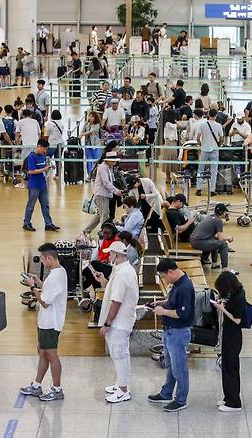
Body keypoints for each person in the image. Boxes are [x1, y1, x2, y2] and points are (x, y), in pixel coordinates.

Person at [92, 241, 140, 403]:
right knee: (121, 354)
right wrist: (103, 281)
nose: (108, 256)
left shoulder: (122, 273)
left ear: (118, 255)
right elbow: (114, 291)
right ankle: (121, 383)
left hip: (119, 322)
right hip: (122, 321)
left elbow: (116, 301)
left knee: (118, 354)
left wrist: (107, 324)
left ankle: (123, 390)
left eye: (111, 254)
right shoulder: (123, 270)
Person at [20, 243, 68, 402]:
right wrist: (39, 282)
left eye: (42, 259)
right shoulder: (58, 272)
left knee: (51, 355)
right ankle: (36, 385)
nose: (41, 262)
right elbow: (49, 290)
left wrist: (32, 287)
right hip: (45, 321)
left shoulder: (55, 276)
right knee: (42, 352)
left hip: (51, 323)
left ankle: (57, 388)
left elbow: (45, 302)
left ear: (48, 258)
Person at [148, 259, 195, 412]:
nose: (165, 279)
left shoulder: (185, 287)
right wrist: (162, 303)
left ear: (171, 272)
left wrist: (163, 312)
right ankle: (166, 393)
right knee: (171, 365)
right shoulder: (178, 283)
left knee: (179, 368)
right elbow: (174, 302)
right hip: (170, 331)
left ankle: (181, 400)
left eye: (164, 276)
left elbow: (183, 313)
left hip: (178, 332)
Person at [213, 271, 247, 412]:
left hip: (234, 336)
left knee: (231, 368)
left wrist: (222, 309)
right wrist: (224, 303)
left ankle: (234, 402)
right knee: (226, 366)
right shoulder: (235, 293)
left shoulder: (239, 297)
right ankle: (228, 397)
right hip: (228, 334)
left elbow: (237, 319)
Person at [23, 139, 60, 232]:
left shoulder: (42, 156)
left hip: (42, 184)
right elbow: (31, 171)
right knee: (31, 205)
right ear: (39, 146)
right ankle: (26, 223)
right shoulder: (32, 156)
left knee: (45, 205)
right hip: (34, 185)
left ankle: (48, 223)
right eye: (44, 149)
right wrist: (44, 169)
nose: (45, 151)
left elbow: (43, 168)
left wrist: (49, 167)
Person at [83, 151, 123, 234]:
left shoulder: (108, 167)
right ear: (108, 160)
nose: (114, 162)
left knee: (99, 215)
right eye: (113, 161)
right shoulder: (102, 168)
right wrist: (116, 191)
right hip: (102, 195)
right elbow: (106, 182)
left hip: (105, 195)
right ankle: (105, 234)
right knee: (104, 216)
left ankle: (86, 231)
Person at [190, 203, 234, 271]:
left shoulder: (209, 217)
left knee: (214, 241)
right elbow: (221, 239)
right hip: (198, 242)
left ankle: (214, 263)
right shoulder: (218, 221)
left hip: (194, 240)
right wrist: (228, 238)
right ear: (224, 212)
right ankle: (225, 268)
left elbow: (214, 236)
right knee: (223, 245)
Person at [195, 109, 224, 197]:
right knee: (214, 171)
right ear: (216, 116)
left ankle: (198, 189)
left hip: (204, 149)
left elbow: (198, 138)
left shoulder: (203, 125)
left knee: (201, 169)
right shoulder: (219, 126)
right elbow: (221, 138)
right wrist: (218, 145)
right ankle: (212, 190)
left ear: (208, 114)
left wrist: (201, 145)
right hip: (214, 149)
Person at [81, 111, 103, 177]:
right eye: (89, 116)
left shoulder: (97, 125)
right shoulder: (86, 124)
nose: (90, 118)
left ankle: (96, 175)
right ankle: (89, 174)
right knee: (89, 160)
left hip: (96, 145)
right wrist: (80, 136)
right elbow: (82, 131)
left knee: (96, 160)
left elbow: (91, 131)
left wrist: (83, 134)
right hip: (88, 144)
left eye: (92, 116)